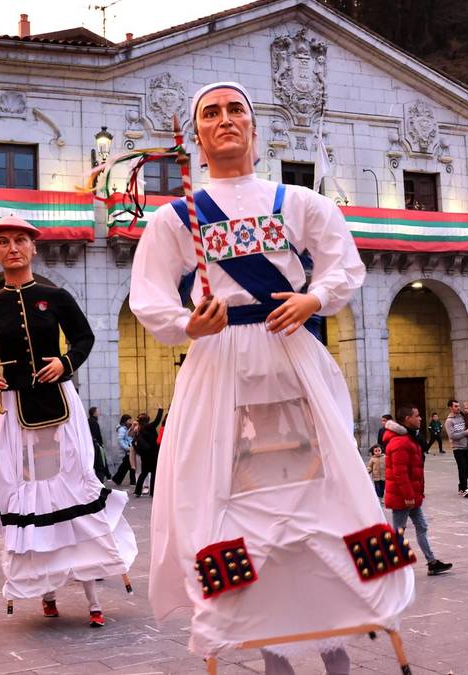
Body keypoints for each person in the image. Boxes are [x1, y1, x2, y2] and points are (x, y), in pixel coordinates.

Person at [129, 81, 411, 670]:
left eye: (237, 110)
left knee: (327, 492)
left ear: (254, 130)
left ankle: (341, 635)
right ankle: (262, 645)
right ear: (198, 135)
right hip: (220, 364)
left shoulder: (301, 202)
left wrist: (314, 300)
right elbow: (149, 299)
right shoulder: (175, 218)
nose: (226, 120)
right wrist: (190, 324)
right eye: (212, 113)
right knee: (222, 502)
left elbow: (343, 265)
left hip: (292, 355)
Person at [0, 214, 136, 629]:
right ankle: (46, 590)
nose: (12, 248)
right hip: (12, 409)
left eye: (20, 240)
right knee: (29, 493)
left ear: (33, 247)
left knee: (75, 487)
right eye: (3, 242)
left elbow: (84, 338)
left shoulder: (54, 295)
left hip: (60, 403)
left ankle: (93, 593)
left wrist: (65, 362)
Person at [385, 408, 452, 576]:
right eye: (417, 416)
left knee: (421, 526)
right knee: (398, 530)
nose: (420, 418)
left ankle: (432, 562)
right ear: (407, 418)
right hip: (403, 496)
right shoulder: (400, 442)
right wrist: (408, 496)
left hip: (412, 495)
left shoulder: (410, 437)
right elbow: (400, 473)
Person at [445, 399, 468, 497]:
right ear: (450, 408)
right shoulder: (449, 421)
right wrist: (465, 433)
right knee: (462, 468)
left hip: (467, 446)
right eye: (455, 406)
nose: (458, 408)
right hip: (458, 448)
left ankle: (461, 486)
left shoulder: (463, 416)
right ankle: (465, 488)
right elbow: (452, 436)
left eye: (458, 406)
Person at [133, 409, 162, 498]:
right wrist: (160, 410)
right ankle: (152, 492)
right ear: (147, 420)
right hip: (153, 454)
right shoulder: (149, 427)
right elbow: (157, 420)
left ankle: (137, 491)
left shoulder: (140, 429)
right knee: (153, 473)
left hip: (144, 455)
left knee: (143, 473)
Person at [110, 415, 137, 486]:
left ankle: (119, 479)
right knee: (128, 464)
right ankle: (131, 481)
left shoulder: (126, 428)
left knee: (128, 465)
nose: (131, 421)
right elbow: (120, 440)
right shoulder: (122, 429)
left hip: (130, 448)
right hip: (128, 449)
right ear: (125, 421)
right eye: (129, 420)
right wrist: (127, 448)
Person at [88, 407, 109, 482]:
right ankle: (101, 480)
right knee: (100, 464)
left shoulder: (91, 421)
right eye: (97, 411)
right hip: (96, 445)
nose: (99, 412)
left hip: (94, 445)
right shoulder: (93, 422)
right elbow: (96, 434)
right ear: (94, 412)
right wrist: (100, 443)